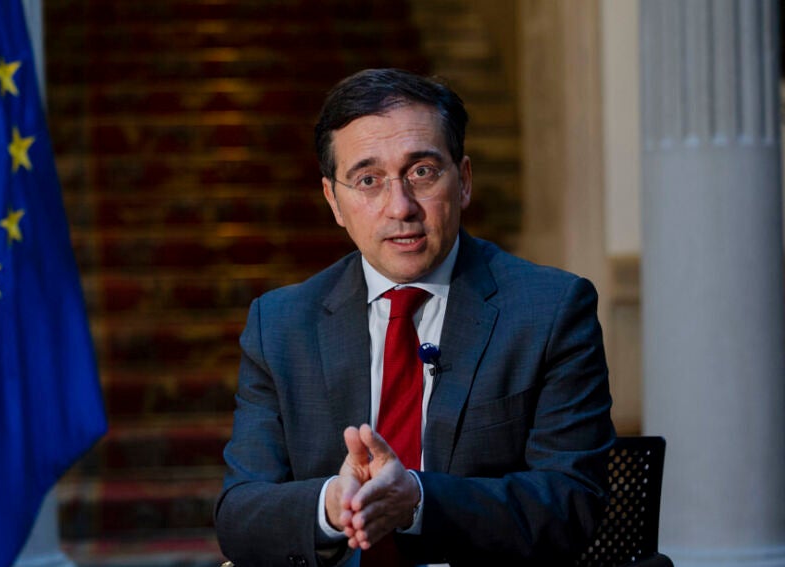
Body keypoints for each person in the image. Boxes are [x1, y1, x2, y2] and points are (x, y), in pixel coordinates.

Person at [214, 68, 615, 566]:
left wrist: (420, 501)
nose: (400, 207)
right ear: (334, 201)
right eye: (368, 180)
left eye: (422, 172)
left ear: (463, 181)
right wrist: (331, 507)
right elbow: (240, 513)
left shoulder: (550, 310)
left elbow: (573, 502)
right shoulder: (280, 325)